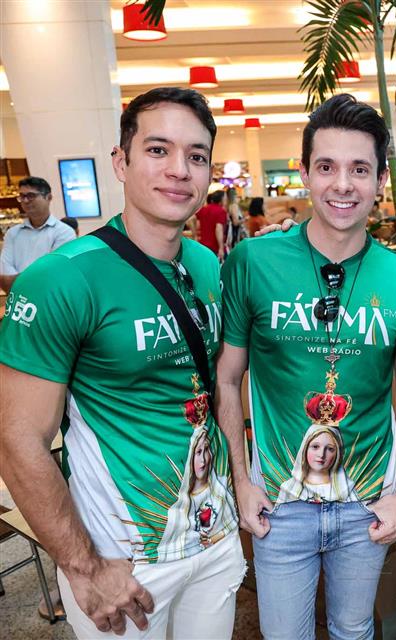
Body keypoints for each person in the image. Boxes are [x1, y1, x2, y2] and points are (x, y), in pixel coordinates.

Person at [0, 87, 243, 639]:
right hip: (123, 560)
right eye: (158, 150)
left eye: (197, 155)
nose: (179, 169)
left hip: (213, 538)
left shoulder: (206, 265)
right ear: (121, 161)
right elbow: (16, 439)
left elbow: (219, 387)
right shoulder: (62, 277)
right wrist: (84, 567)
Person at [215, 93, 396, 640]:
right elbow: (227, 377)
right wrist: (241, 480)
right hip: (279, 502)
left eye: (359, 169)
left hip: (366, 501)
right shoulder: (252, 263)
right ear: (306, 172)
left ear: (379, 179)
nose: (343, 184)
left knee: (354, 631)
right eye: (327, 166)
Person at [0, 176, 75, 292]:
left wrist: (18, 281)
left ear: (48, 197)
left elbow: (54, 275)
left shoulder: (64, 232)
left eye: (31, 196)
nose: (25, 201)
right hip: (17, 300)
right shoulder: (12, 233)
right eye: (22, 196)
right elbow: (5, 276)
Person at [193, 190, 227, 260]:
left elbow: (192, 220)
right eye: (225, 198)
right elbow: (218, 229)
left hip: (202, 245)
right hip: (214, 247)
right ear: (221, 199)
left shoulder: (203, 209)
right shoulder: (221, 211)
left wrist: (195, 235)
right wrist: (221, 248)